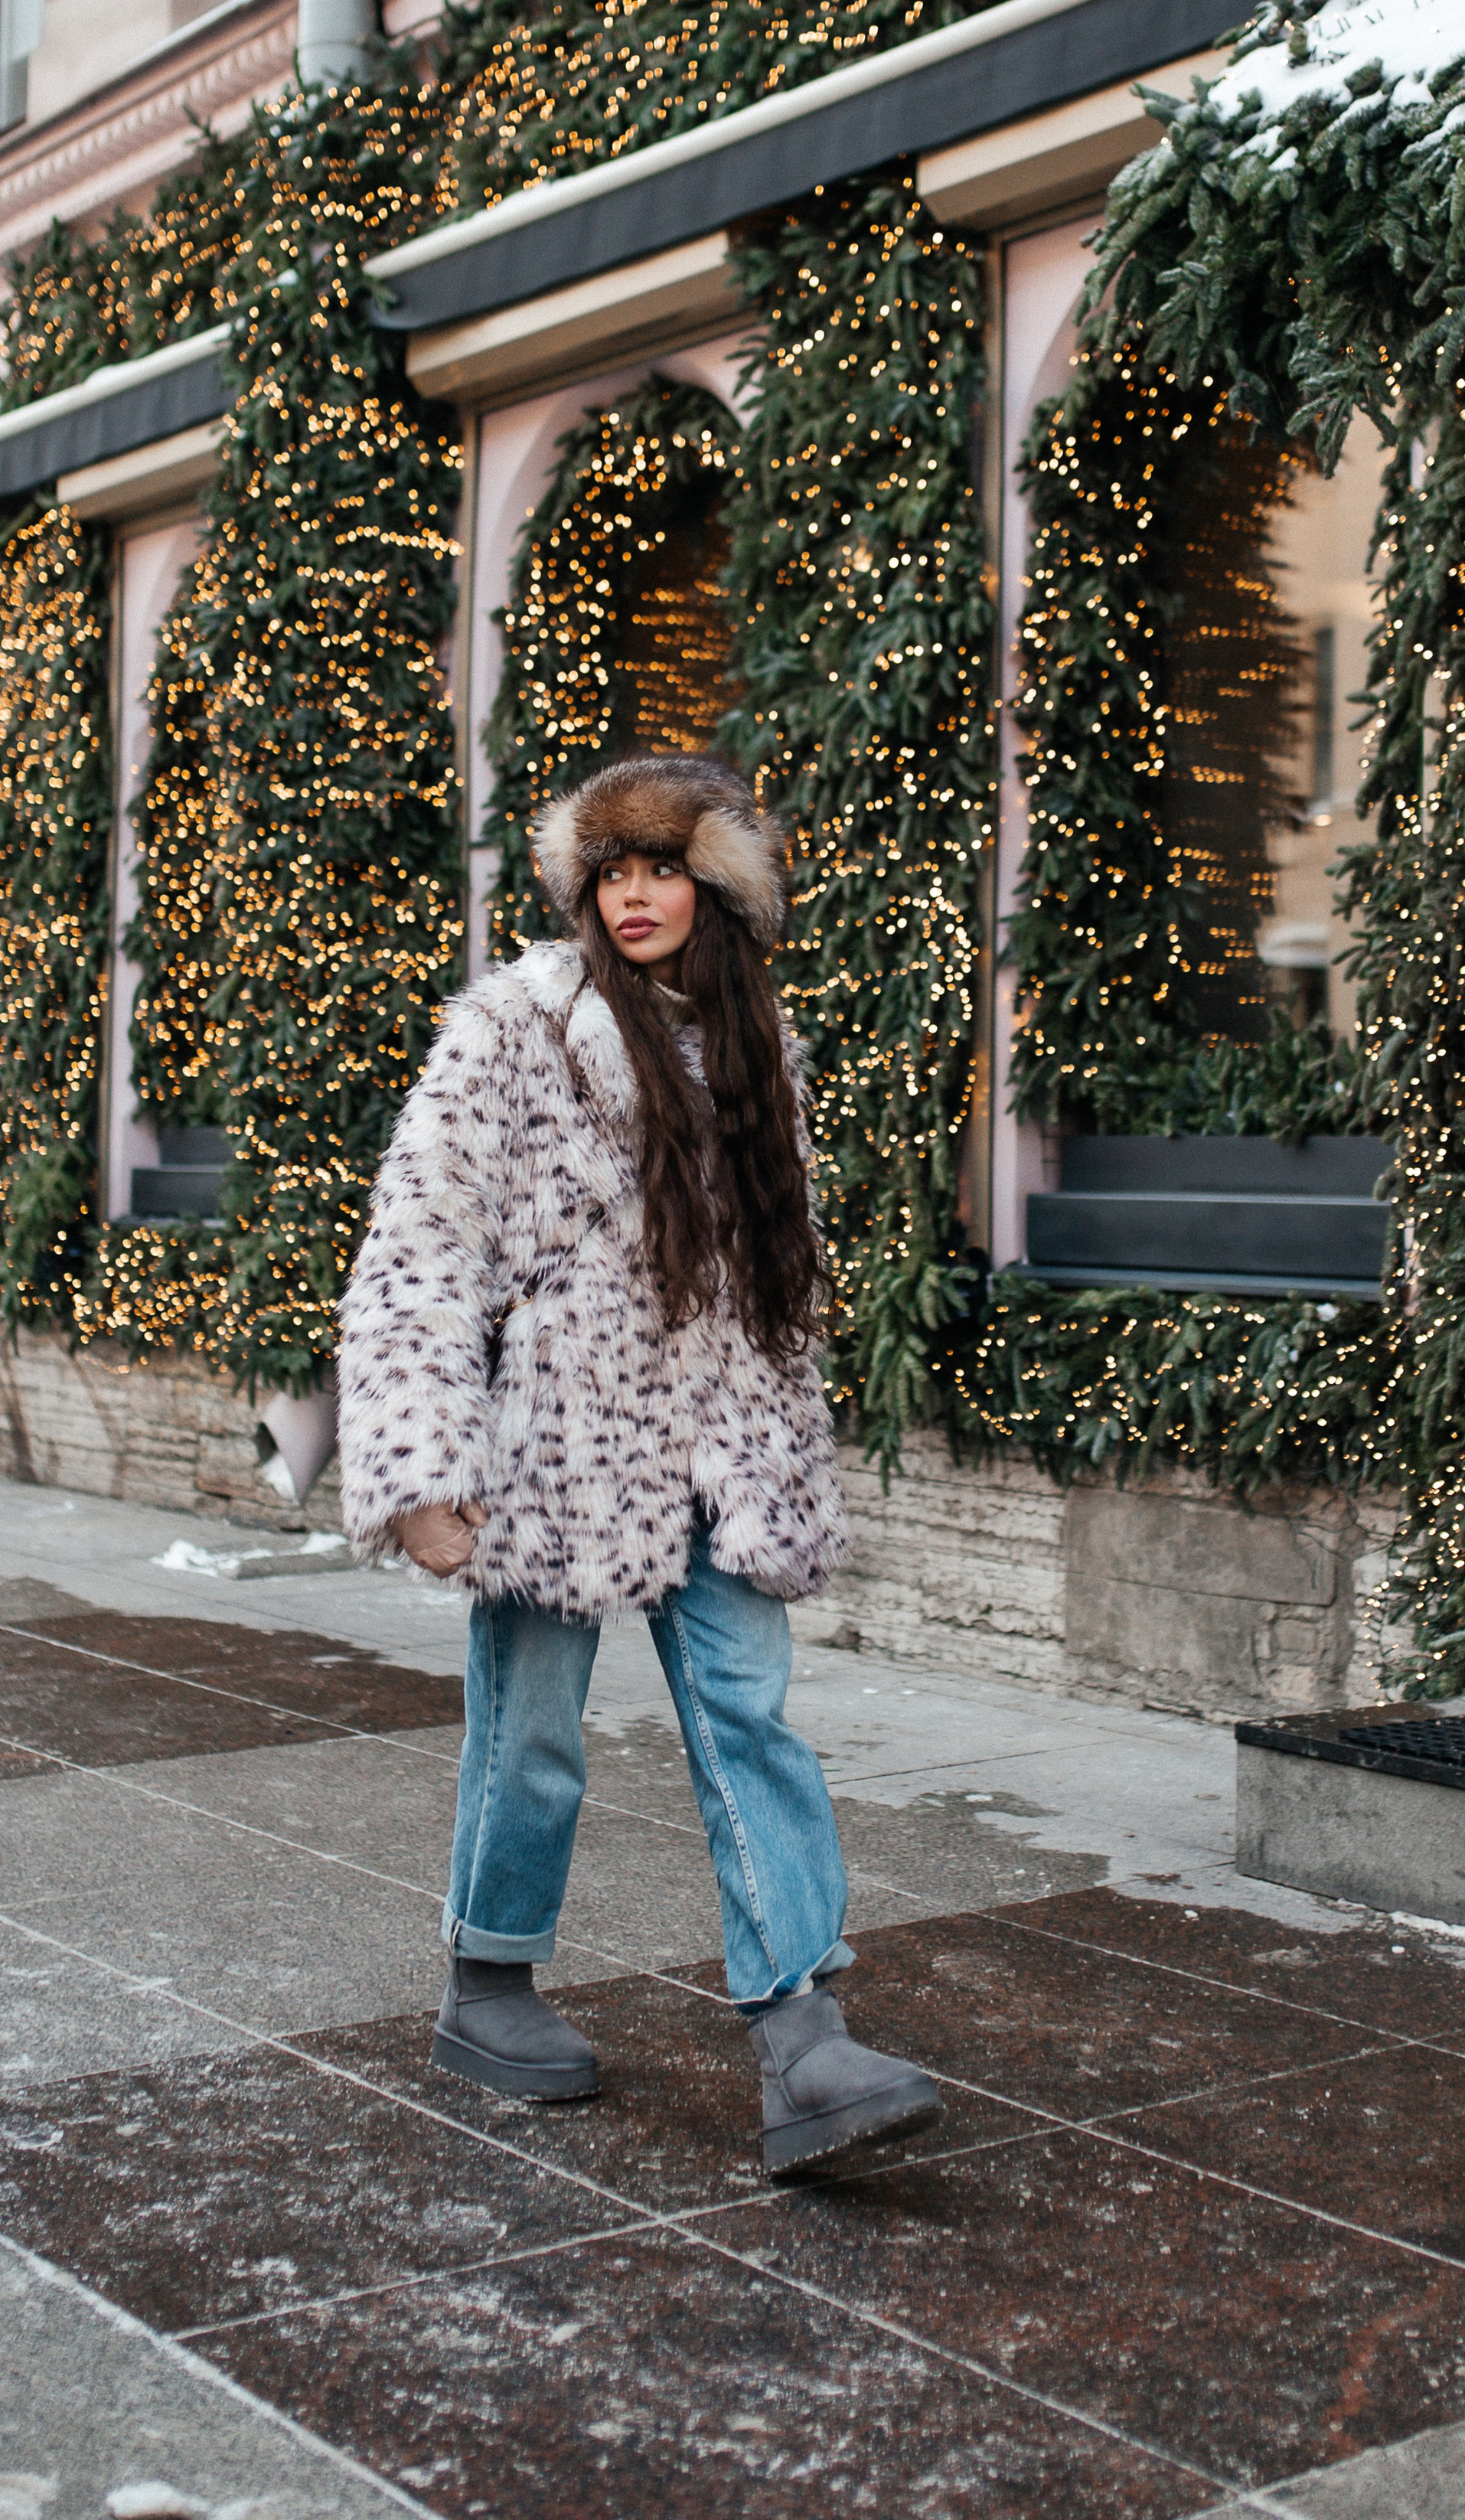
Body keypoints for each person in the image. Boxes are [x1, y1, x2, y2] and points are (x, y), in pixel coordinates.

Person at [335, 752, 941, 2181]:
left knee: (750, 1719)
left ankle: (804, 2035)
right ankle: (488, 1985)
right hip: (555, 1440)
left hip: (721, 1438)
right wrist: (422, 1466)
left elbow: (766, 1282)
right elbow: (418, 1246)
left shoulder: (755, 1046)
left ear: (719, 888)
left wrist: (780, 1441)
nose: (635, 894)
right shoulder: (512, 1028)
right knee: (534, 1735)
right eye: (611, 870)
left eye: (663, 866)